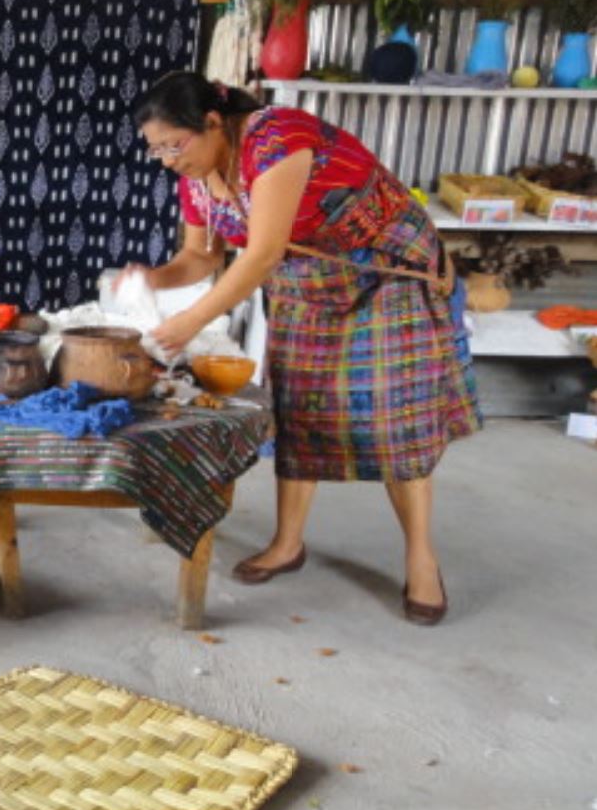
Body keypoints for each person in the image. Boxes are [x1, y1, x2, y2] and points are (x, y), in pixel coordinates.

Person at [130, 71, 480, 625]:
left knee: (395, 417)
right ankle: (288, 544)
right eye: (156, 151)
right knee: (300, 409)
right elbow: (200, 258)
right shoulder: (196, 178)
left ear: (213, 123)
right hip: (308, 284)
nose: (168, 159)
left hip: (384, 272)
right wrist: (151, 278)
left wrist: (190, 321)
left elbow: (262, 253)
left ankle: (422, 560)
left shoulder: (277, 140)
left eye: (174, 144)